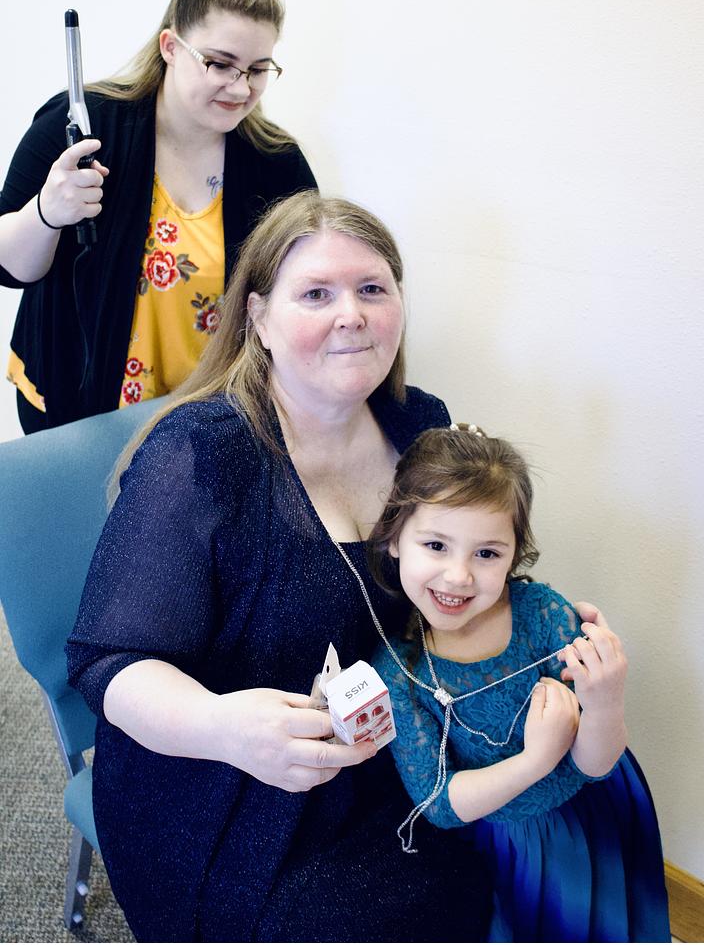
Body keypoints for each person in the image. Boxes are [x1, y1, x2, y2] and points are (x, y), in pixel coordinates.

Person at [67, 192, 498, 942]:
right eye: (316, 294)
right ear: (259, 318)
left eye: (372, 288)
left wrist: (515, 616)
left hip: (384, 739)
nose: (351, 314)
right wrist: (222, 727)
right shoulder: (201, 454)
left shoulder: (419, 424)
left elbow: (446, 576)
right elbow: (109, 664)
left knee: (503, 851)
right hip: (220, 780)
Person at [0, 0, 316, 433]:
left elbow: (304, 292)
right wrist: (46, 213)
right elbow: (10, 268)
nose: (240, 87)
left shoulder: (277, 164)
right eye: (219, 64)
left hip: (206, 424)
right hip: (77, 414)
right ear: (171, 47)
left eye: (258, 70)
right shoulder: (82, 125)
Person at [369, 425, 671, 942]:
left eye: (487, 553)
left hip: (592, 811)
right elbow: (437, 802)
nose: (459, 575)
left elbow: (597, 765)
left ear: (514, 554)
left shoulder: (544, 616)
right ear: (395, 538)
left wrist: (605, 699)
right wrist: (535, 759)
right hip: (510, 846)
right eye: (436, 545)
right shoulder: (399, 672)